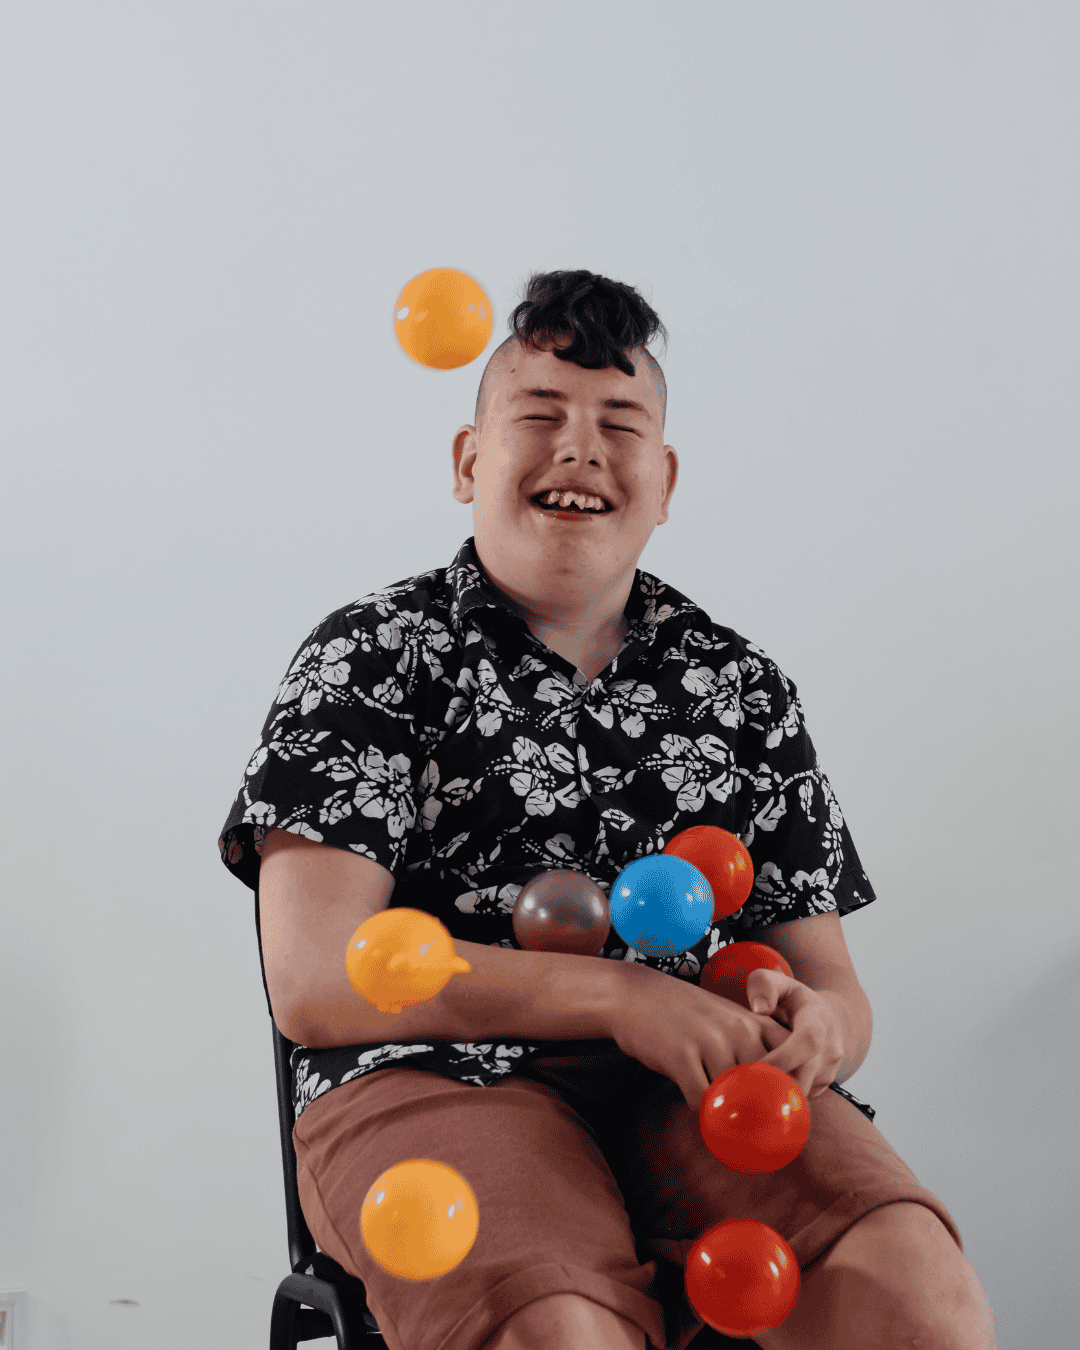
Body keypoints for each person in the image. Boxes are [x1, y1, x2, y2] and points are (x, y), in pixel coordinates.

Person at [219, 270, 998, 1350]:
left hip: (706, 1082)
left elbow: (834, 988)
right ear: (467, 462)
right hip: (434, 1081)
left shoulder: (742, 685)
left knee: (922, 1289)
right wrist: (616, 995)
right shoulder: (373, 657)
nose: (579, 449)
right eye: (538, 417)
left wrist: (821, 1028)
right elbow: (316, 980)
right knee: (559, 1332)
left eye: (618, 424)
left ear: (665, 478)